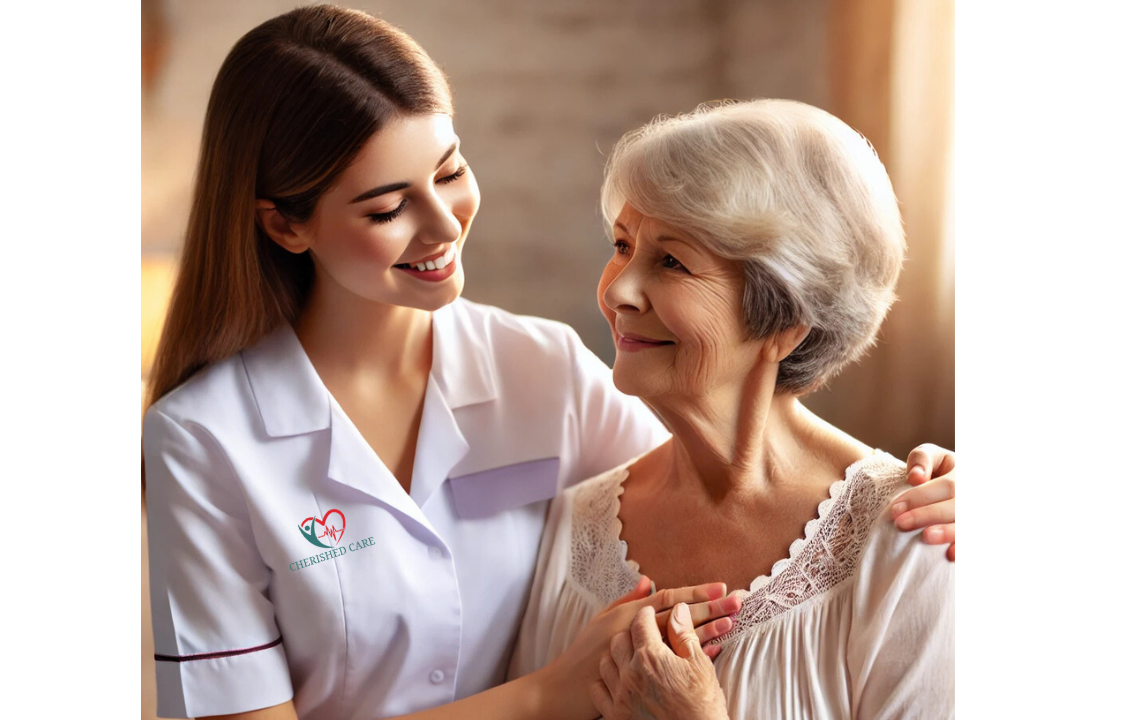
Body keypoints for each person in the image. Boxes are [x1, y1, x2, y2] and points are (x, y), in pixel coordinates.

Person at [142, 6, 959, 720]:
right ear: (285, 226)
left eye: (451, 170)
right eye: (387, 207)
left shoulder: (544, 368)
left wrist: (939, 490)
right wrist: (544, 698)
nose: (443, 225)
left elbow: (729, 447)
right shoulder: (202, 440)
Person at [508, 99, 955, 719]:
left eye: (671, 261)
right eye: (622, 244)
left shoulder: (917, 541)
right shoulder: (575, 525)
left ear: (786, 319)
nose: (616, 290)